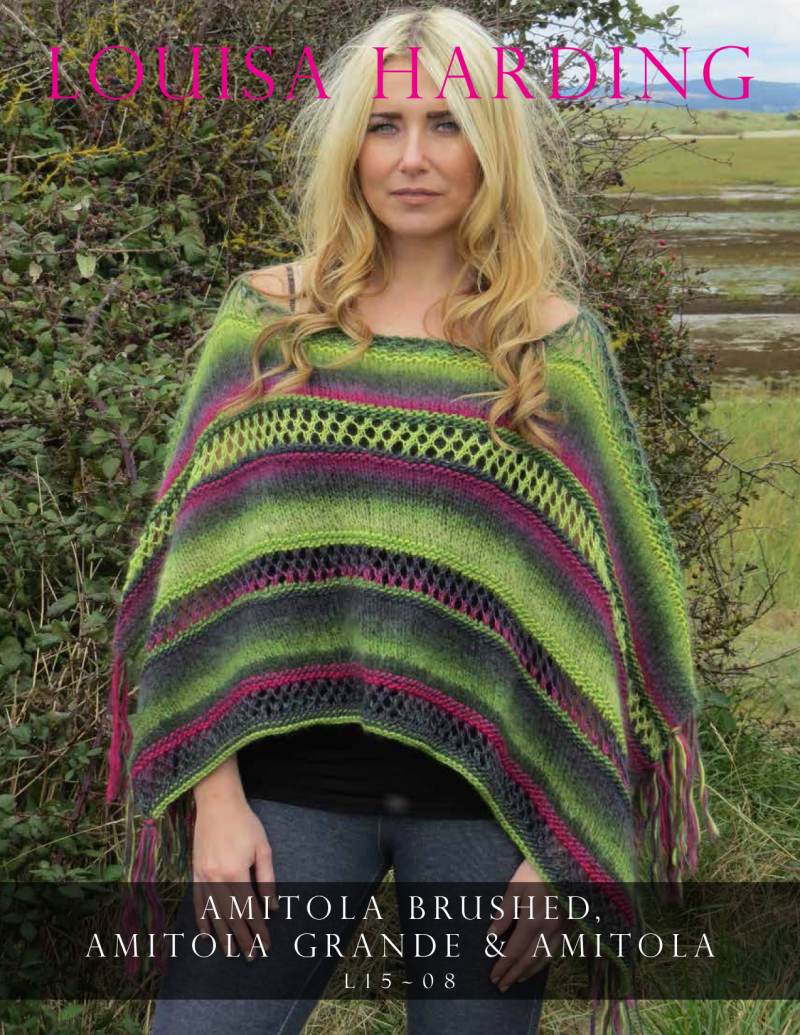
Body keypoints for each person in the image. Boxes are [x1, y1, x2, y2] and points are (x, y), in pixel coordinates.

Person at [106, 7, 717, 1035]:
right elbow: (188, 575)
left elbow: (615, 605)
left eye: (447, 125)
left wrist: (557, 847)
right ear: (349, 149)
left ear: (493, 148)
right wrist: (214, 799)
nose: (412, 159)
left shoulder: (556, 351)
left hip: (491, 804)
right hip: (284, 790)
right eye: (383, 127)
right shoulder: (264, 322)